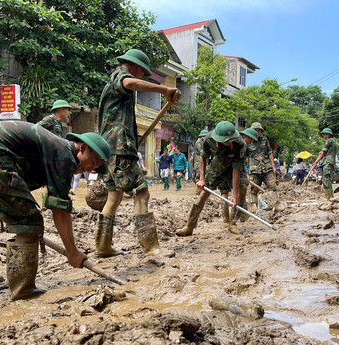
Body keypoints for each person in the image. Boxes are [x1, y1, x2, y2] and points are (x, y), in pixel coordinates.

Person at [0, 121, 110, 301]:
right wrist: (73, 252)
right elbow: (60, 210)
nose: (91, 169)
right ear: (82, 148)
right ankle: (23, 290)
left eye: (95, 169)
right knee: (28, 223)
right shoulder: (65, 156)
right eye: (94, 162)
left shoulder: (55, 149)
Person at [97, 48, 179, 258]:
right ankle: (150, 247)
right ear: (134, 67)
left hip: (109, 149)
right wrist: (164, 90)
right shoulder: (120, 76)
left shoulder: (113, 86)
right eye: (142, 72)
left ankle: (103, 246)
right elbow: (130, 83)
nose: (142, 76)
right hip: (120, 148)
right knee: (142, 192)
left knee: (114, 196)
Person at [176, 121, 256, 236]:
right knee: (203, 194)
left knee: (242, 188)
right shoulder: (209, 139)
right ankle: (189, 226)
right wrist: (202, 178)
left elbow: (236, 170)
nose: (227, 143)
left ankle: (232, 223)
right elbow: (203, 157)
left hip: (234, 167)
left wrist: (234, 196)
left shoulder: (240, 144)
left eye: (229, 140)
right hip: (217, 165)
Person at [247, 122, 278, 208]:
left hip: (267, 168)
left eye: (259, 130)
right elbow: (242, 157)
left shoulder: (264, 140)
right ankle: (254, 209)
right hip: (254, 170)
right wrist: (246, 172)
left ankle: (275, 206)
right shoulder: (248, 141)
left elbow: (270, 152)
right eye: (255, 130)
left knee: (272, 187)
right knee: (254, 190)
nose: (257, 132)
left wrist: (273, 166)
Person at [312, 128, 338, 200]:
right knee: (325, 179)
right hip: (329, 162)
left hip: (328, 162)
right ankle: (329, 196)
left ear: (329, 134)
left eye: (326, 134)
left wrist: (316, 162)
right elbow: (324, 152)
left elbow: (323, 152)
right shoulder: (332, 141)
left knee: (326, 179)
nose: (324, 136)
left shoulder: (329, 140)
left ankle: (330, 197)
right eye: (324, 134)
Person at [190, 129, 208, 195]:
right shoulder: (199, 142)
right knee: (197, 176)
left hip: (200, 161)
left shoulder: (201, 142)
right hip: (198, 162)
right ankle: (199, 192)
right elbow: (202, 152)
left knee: (199, 176)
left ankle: (201, 190)